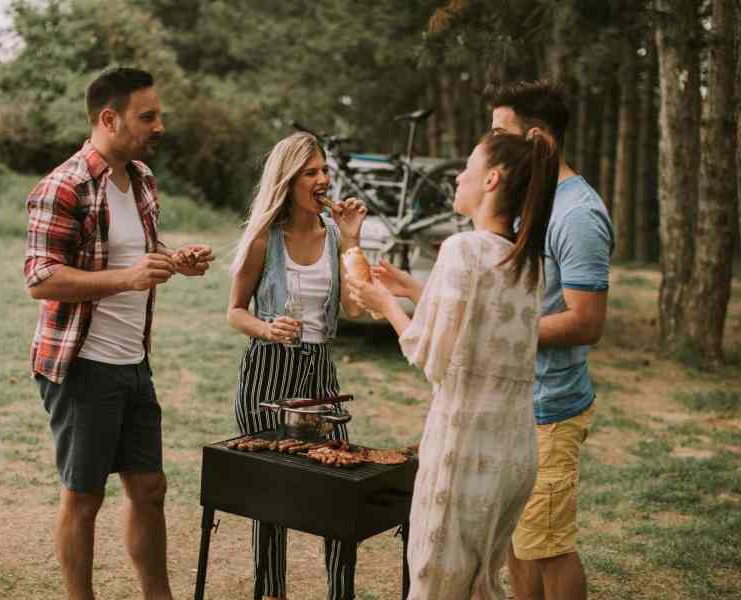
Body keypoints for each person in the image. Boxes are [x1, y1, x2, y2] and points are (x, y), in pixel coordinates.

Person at [23, 66, 215, 600]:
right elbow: (41, 278)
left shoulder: (143, 181)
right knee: (84, 498)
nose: (159, 126)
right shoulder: (63, 187)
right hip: (82, 366)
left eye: (159, 115)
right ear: (108, 118)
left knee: (150, 489)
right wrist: (128, 278)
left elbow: (135, 256)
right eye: (146, 116)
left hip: (134, 362)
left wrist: (176, 260)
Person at [349, 130, 559, 599]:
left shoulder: (461, 248)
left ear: (491, 180)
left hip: (465, 448)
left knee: (435, 584)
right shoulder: (528, 260)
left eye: (468, 165)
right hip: (514, 451)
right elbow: (478, 326)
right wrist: (412, 288)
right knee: (481, 585)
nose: (459, 175)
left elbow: (430, 354)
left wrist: (382, 302)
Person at [485, 80, 614, 600]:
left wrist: (498, 332)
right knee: (518, 539)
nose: (490, 143)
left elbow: (586, 322)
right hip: (512, 400)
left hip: (551, 409)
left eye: (500, 133)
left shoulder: (577, 215)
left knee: (549, 545)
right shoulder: (527, 197)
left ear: (538, 140)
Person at [227, 131, 367, 600]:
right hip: (267, 371)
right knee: (272, 495)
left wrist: (351, 242)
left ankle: (340, 592)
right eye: (311, 172)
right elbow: (235, 312)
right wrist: (266, 328)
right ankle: (271, 593)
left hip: (319, 373)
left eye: (325, 170)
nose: (323, 179)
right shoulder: (263, 239)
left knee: (338, 487)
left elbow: (352, 309)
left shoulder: (332, 237)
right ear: (289, 181)